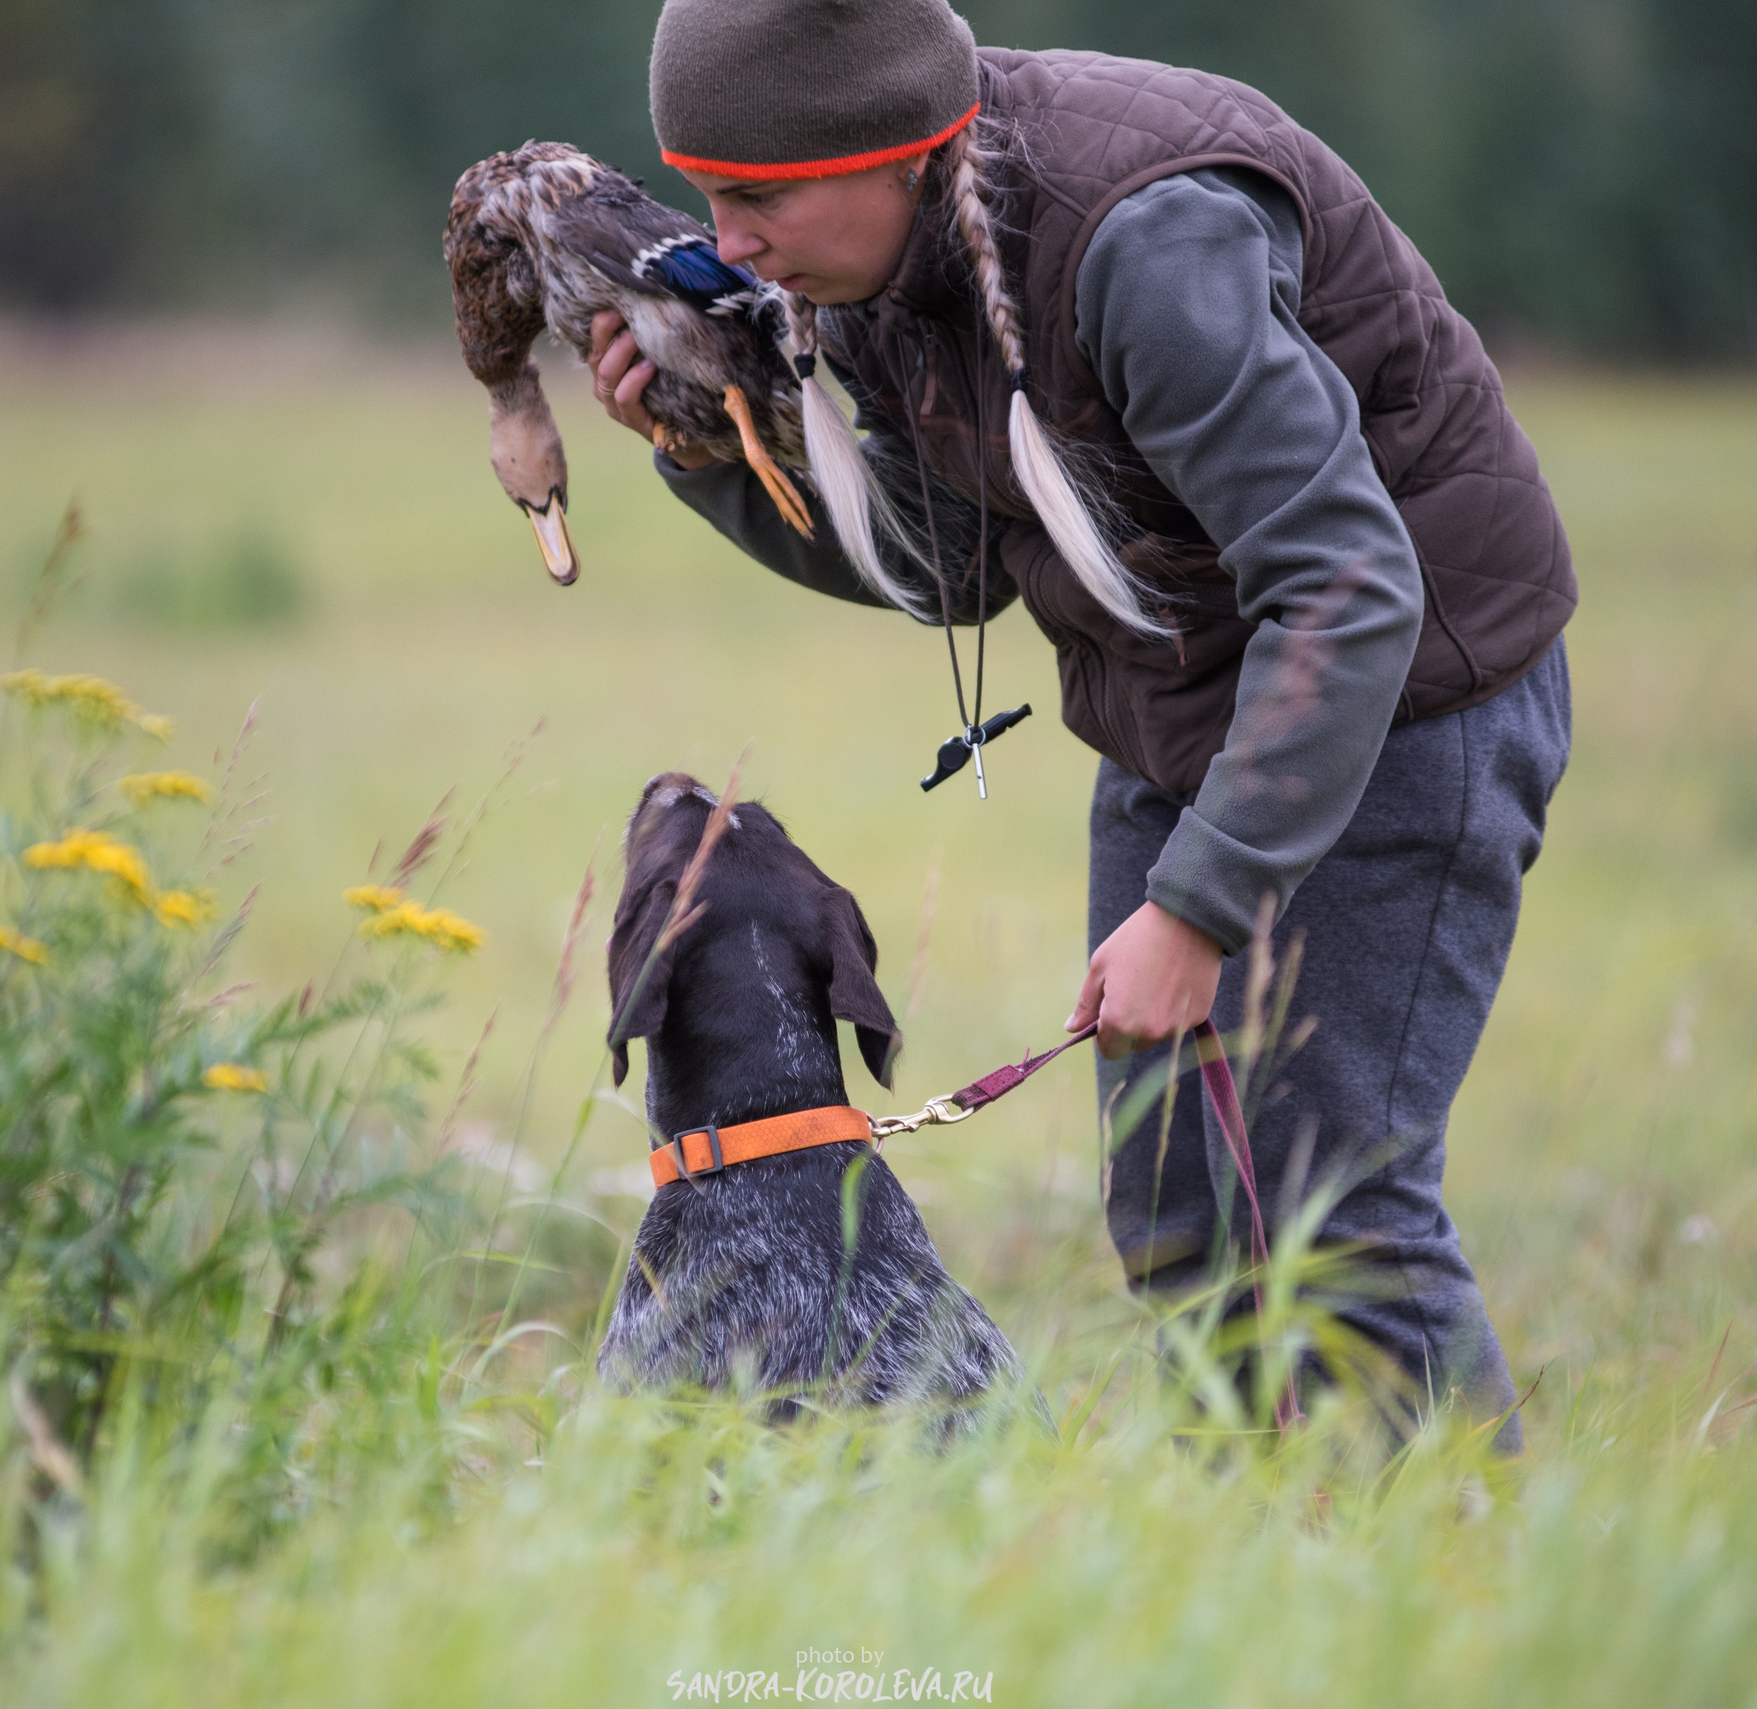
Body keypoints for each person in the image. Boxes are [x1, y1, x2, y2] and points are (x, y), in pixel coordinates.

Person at [586, 0, 1574, 1449]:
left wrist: (1200, 903)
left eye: (757, 196)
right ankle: (1282, 1577)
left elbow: (1351, 585)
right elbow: (955, 560)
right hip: (1179, 704)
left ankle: (1466, 1594)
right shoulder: (872, 277)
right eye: (707, 193)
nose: (725, 242)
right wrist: (706, 449)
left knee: (1326, 1199)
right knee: (1180, 1209)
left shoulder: (1143, 241)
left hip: (1406, 698)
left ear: (890, 146)